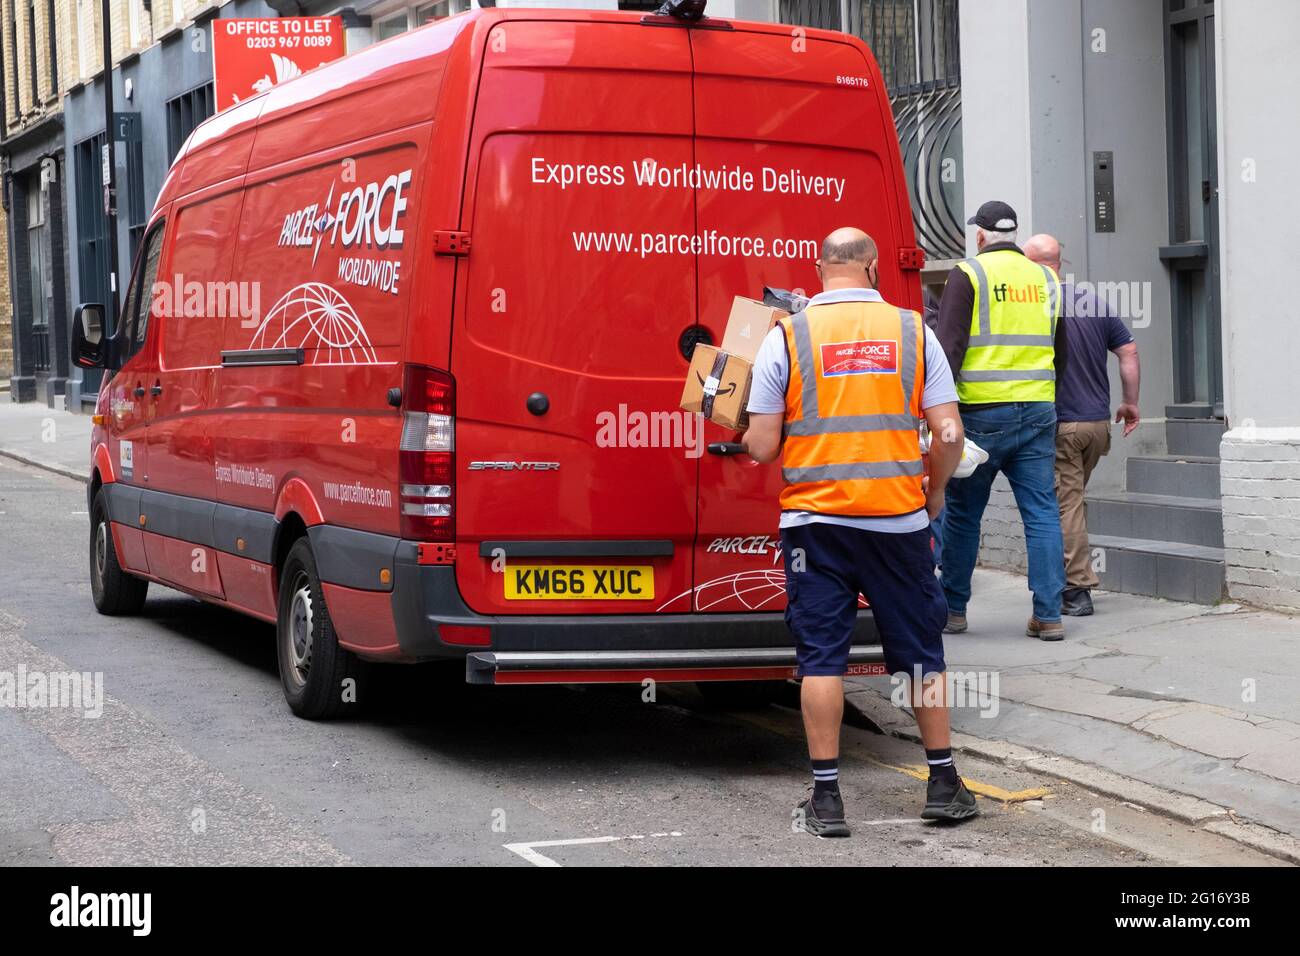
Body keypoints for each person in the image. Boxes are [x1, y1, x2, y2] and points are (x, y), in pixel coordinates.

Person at [742, 227, 978, 836]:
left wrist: (744, 429)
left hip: (815, 525)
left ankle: (826, 800)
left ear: (820, 270)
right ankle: (944, 784)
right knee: (921, 653)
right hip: (897, 522)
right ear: (872, 269)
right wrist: (935, 491)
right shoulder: (912, 330)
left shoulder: (785, 337)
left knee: (822, 659)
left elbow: (764, 446)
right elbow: (948, 434)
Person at [935, 201, 1068, 641]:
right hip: (1037, 411)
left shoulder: (968, 273)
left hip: (980, 415)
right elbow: (1058, 349)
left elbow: (949, 348)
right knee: (1042, 513)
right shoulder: (1046, 278)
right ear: (1013, 235)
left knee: (963, 513)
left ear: (980, 236)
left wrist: (936, 410)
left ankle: (953, 609)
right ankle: (1048, 614)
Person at [1023, 233, 1141, 616]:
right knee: (1070, 501)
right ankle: (1065, 579)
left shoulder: (1033, 304)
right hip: (1097, 426)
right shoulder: (1093, 301)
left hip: (1062, 426)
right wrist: (1130, 402)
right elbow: (1128, 351)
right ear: (1061, 263)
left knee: (1066, 505)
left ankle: (1076, 590)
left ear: (1031, 264)